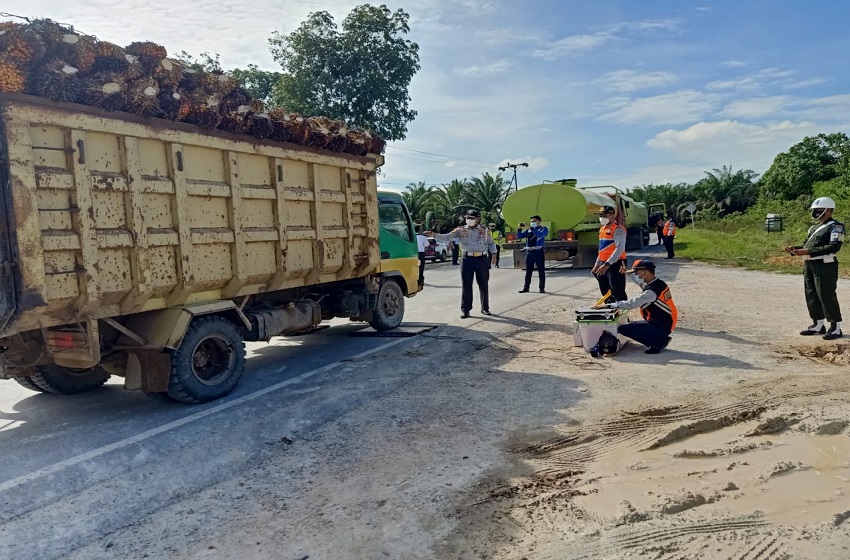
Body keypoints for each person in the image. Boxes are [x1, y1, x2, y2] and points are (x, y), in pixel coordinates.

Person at [785, 196, 844, 340]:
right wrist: (796, 249)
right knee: (811, 294)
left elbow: (834, 246)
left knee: (826, 295)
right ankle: (817, 324)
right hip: (810, 264)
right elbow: (807, 246)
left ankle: (835, 327)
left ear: (829, 210)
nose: (816, 213)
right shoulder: (814, 228)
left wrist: (808, 251)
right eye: (815, 210)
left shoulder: (836, 226)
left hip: (825, 265)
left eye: (819, 210)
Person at [594, 259, 678, 354]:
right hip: (665, 323)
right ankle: (660, 338)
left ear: (645, 272)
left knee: (623, 329)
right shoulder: (659, 284)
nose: (637, 276)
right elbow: (642, 284)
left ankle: (656, 342)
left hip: (661, 326)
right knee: (633, 326)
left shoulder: (651, 293)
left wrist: (609, 306)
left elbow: (631, 304)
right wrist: (628, 273)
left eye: (637, 273)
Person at [430, 209, 497, 318]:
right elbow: (447, 237)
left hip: (481, 258)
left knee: (483, 284)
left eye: (472, 218)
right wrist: (434, 235)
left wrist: (494, 253)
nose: (469, 220)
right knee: (466, 285)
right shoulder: (460, 230)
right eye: (468, 218)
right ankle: (465, 310)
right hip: (467, 259)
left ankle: (485, 308)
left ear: (478, 219)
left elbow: (491, 243)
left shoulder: (484, 230)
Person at [592, 205, 628, 303]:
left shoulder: (618, 229)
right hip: (603, 263)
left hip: (616, 264)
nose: (601, 217)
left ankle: (622, 314)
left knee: (617, 290)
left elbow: (619, 249)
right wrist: (597, 264)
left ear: (611, 215)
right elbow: (602, 249)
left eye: (603, 215)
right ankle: (610, 310)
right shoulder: (602, 229)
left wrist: (607, 264)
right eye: (600, 215)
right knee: (605, 291)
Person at [517, 215, 548, 293]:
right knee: (528, 271)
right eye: (531, 221)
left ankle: (541, 288)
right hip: (530, 252)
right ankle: (526, 287)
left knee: (541, 270)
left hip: (538, 252)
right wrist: (519, 229)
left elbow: (540, 235)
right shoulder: (528, 230)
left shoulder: (543, 229)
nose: (532, 223)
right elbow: (519, 236)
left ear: (539, 221)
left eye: (534, 221)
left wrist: (531, 228)